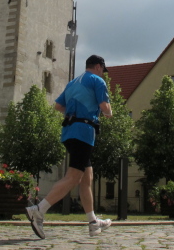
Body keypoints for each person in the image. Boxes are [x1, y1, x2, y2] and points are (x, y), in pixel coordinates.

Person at [25, 55, 112, 239]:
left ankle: (93, 222)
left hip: (69, 132)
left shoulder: (73, 83)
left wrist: (74, 113)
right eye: (102, 70)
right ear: (98, 66)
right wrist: (108, 112)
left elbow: (58, 106)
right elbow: (105, 107)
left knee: (86, 177)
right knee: (73, 177)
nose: (103, 74)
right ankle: (39, 210)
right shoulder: (97, 81)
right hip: (84, 132)